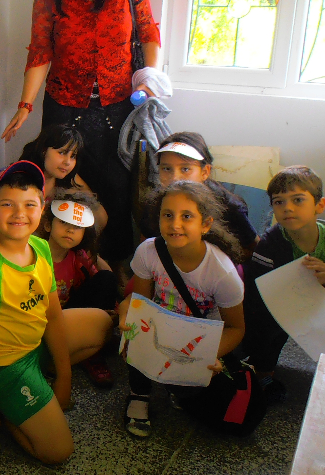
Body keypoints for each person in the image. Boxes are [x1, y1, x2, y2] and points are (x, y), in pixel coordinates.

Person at [2, 0, 161, 263]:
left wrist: (150, 80)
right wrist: (25, 105)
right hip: (64, 108)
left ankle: (113, 271)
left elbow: (149, 32)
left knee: (116, 193)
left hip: (120, 107)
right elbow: (40, 50)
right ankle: (61, 270)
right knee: (62, 193)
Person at [0, 162, 104, 464]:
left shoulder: (40, 247)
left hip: (34, 342)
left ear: (42, 208)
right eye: (7, 204)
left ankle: (41, 379)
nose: (19, 214)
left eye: (29, 204)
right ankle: (8, 404)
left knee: (103, 325)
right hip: (6, 364)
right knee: (58, 451)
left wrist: (64, 378)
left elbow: (53, 315)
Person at [119, 181, 245, 438]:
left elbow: (236, 328)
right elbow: (139, 301)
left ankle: (176, 387)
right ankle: (139, 394)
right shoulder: (149, 251)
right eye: (168, 215)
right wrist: (126, 319)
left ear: (205, 224)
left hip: (197, 338)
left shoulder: (222, 273)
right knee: (137, 335)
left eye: (186, 216)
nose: (175, 224)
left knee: (191, 391)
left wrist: (210, 355)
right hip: (159, 324)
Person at [239, 166, 325, 402]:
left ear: (319, 205)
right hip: (282, 300)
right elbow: (258, 291)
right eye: (279, 202)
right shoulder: (269, 244)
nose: (287, 208)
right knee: (265, 322)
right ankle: (263, 372)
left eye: (298, 200)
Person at [42, 190, 119, 387]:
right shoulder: (35, 254)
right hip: (41, 322)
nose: (70, 230)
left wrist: (114, 310)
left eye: (77, 226)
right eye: (64, 222)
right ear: (48, 224)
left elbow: (102, 281)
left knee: (107, 279)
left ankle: (92, 351)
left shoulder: (79, 257)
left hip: (69, 314)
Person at [149, 133, 259, 260]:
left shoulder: (231, 207)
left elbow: (255, 250)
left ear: (205, 172)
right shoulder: (155, 203)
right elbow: (148, 246)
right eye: (167, 169)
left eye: (185, 169)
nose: (174, 178)